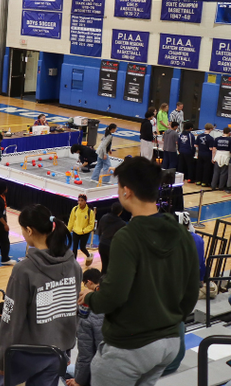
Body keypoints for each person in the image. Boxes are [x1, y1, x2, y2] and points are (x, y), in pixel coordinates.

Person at [81, 157, 198, 386]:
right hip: (170, 343)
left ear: (126, 191)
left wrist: (91, 298)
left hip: (130, 347)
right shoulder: (182, 234)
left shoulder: (127, 237)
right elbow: (191, 292)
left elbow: (113, 296)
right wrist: (170, 321)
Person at [0, 204, 80, 385]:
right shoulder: (74, 265)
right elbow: (71, 312)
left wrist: (1, 358)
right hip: (57, 353)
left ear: (29, 230)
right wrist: (67, 350)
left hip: (28, 353)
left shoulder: (24, 270)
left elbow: (11, 319)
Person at [70, 268, 104, 386]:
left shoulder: (86, 314)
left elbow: (86, 355)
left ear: (89, 282)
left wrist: (78, 380)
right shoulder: (116, 302)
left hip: (98, 372)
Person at [96, 202, 125, 275]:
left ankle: (102, 281)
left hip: (102, 245)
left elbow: (99, 231)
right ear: (120, 212)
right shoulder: (122, 223)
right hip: (112, 247)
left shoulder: (104, 217)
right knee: (112, 268)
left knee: (104, 267)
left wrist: (101, 240)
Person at [68, 194, 96, 266]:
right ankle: (73, 264)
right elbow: (71, 221)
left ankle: (89, 255)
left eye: (82, 201)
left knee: (82, 247)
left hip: (84, 233)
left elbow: (91, 225)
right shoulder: (75, 209)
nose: (80, 202)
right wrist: (68, 230)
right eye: (79, 200)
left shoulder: (90, 212)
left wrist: (84, 231)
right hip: (76, 231)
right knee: (74, 248)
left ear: (85, 201)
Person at [214, 127, 231, 191]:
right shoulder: (230, 140)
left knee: (216, 172)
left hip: (218, 155)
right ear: (229, 133)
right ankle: (221, 187)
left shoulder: (217, 138)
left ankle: (213, 185)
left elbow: (214, 149)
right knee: (223, 172)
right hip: (226, 155)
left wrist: (213, 157)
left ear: (223, 131)